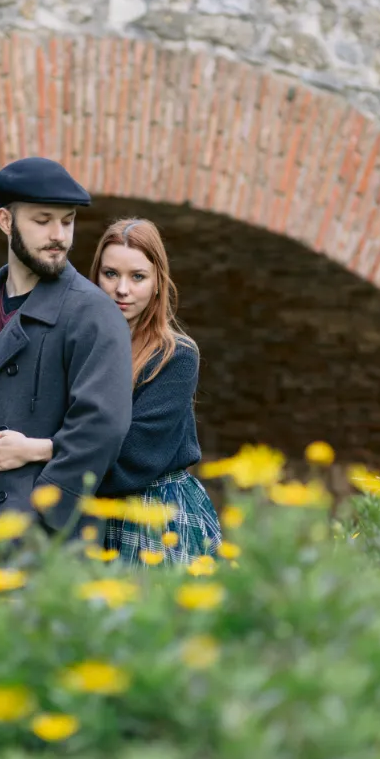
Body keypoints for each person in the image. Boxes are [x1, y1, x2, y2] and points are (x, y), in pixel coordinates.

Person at [0, 157, 134, 536]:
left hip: (42, 547)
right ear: (6, 222)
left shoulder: (94, 314)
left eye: (67, 221)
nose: (60, 235)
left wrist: (42, 516)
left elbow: (103, 428)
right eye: (43, 221)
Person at [90, 218, 221, 562]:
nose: (122, 289)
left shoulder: (175, 356)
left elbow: (135, 454)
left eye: (137, 277)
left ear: (158, 284)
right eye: (110, 274)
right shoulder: (79, 349)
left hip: (156, 513)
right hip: (89, 513)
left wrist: (42, 453)